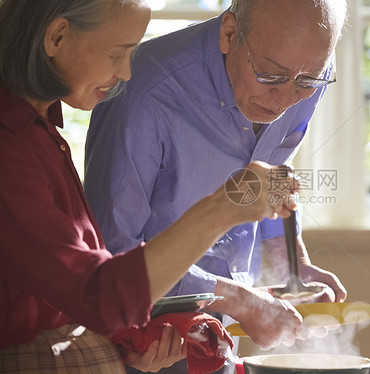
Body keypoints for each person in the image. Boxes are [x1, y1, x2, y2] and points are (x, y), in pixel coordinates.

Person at [0, 0, 304, 373]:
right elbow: (99, 296)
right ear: (58, 37)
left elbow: (66, 293)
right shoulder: (9, 149)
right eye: (118, 53)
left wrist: (132, 337)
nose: (127, 72)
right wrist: (222, 208)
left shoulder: (42, 131)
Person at [84, 0, 348, 369]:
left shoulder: (304, 70)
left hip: (221, 323)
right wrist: (239, 300)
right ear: (229, 34)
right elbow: (114, 255)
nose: (285, 101)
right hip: (139, 337)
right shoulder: (141, 95)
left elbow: (271, 170)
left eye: (307, 82)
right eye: (271, 77)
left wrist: (292, 264)